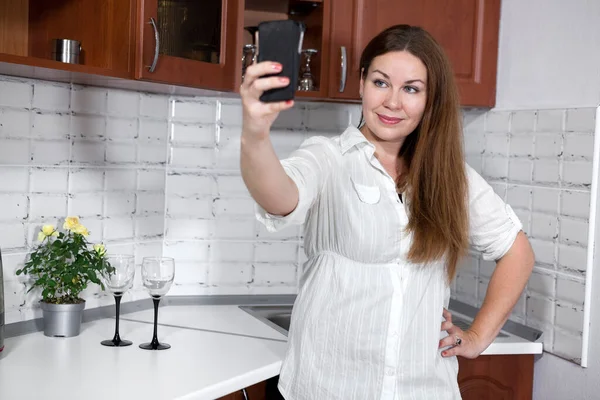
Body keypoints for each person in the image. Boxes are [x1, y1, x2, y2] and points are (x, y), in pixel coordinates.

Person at [239, 24, 535, 400]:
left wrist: (477, 336)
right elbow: (279, 195)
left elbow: (517, 251)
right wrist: (255, 133)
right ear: (361, 82)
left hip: (424, 390)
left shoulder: (451, 177)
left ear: (430, 99)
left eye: (411, 89)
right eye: (381, 83)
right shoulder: (329, 159)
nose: (393, 102)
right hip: (327, 389)